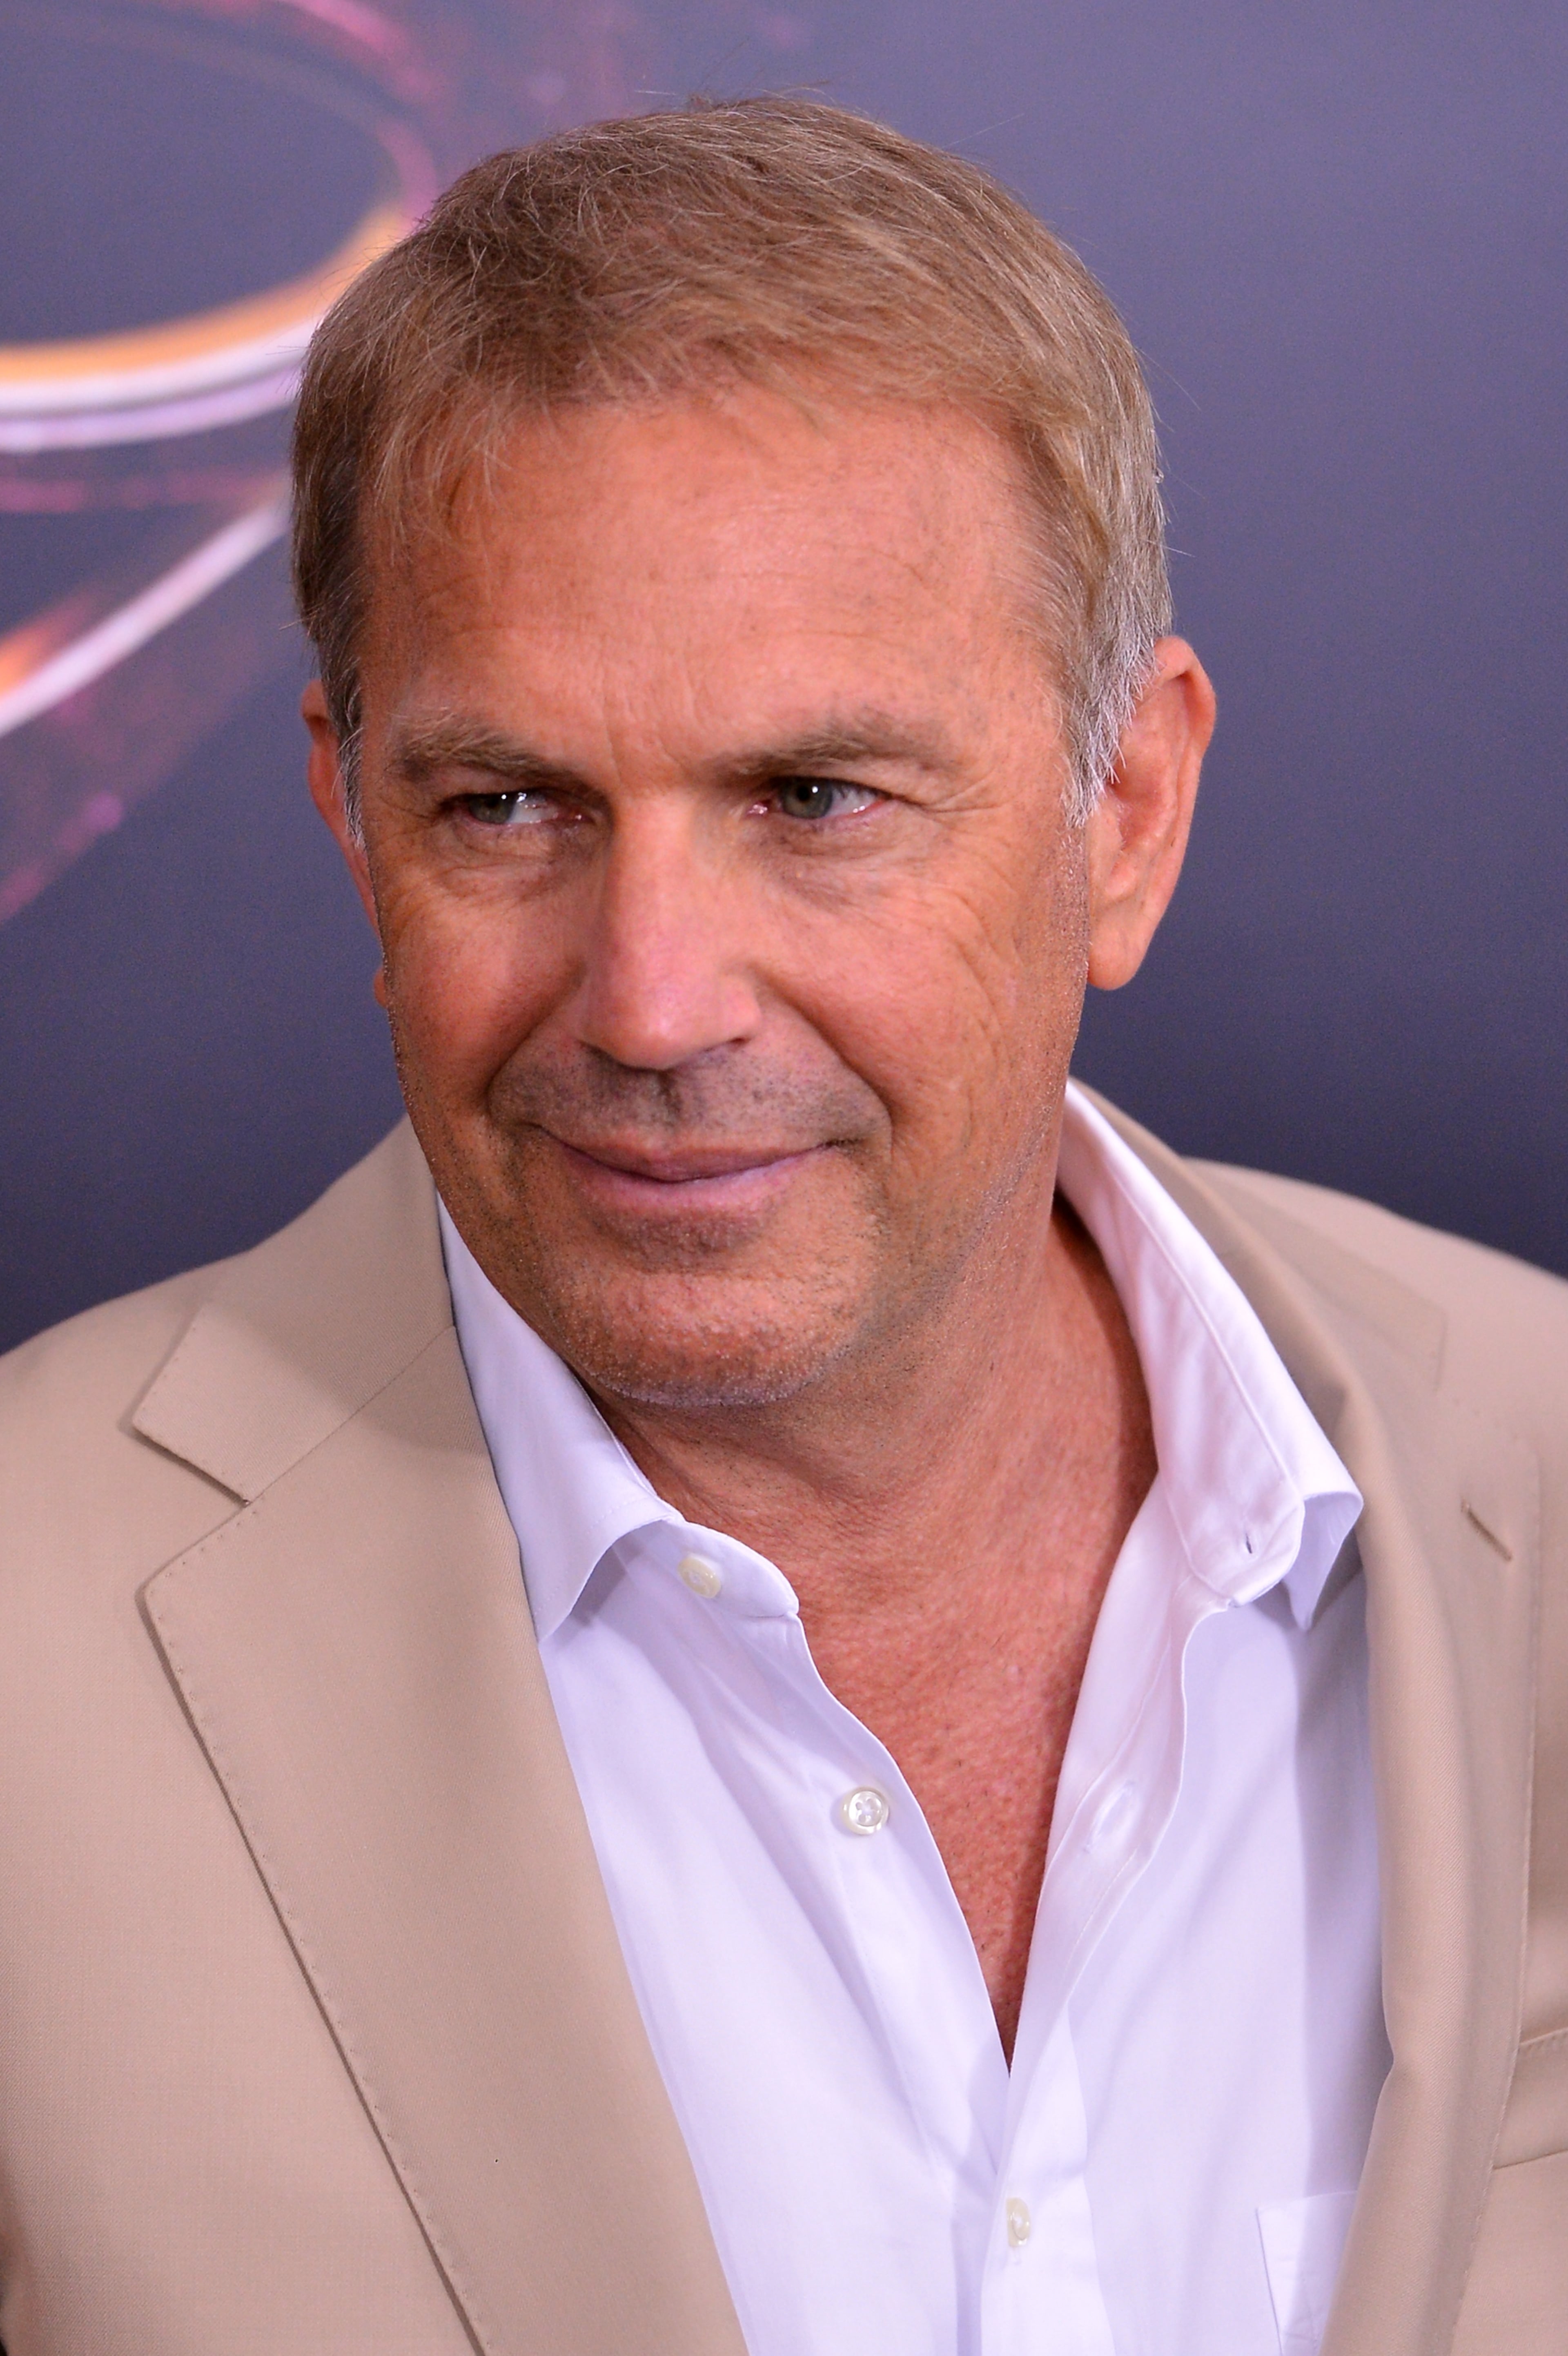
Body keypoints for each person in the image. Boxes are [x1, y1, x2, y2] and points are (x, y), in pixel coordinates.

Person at [0, 96, 1563, 2356]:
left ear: (1123, 816)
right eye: (510, 804)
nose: (650, 1000)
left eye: (815, 799)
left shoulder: (1540, 1471)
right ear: (353, 815)